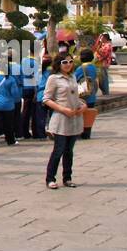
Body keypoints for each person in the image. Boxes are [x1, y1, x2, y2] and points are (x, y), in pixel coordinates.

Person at [42, 51, 85, 189]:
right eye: (64, 62)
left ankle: (67, 177)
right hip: (61, 118)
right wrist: (62, 109)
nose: (68, 65)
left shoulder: (72, 77)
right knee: (58, 149)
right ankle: (50, 178)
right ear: (59, 64)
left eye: (70, 61)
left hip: (74, 117)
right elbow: (46, 99)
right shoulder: (54, 78)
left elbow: (75, 97)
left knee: (69, 151)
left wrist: (82, 105)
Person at [73, 50, 98, 140]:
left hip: (82, 95)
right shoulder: (93, 67)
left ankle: (80, 133)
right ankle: (87, 133)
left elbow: (74, 78)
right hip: (91, 94)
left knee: (81, 115)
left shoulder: (81, 68)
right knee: (89, 115)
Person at [20, 50, 41, 139]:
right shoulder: (35, 63)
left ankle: (24, 132)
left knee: (25, 111)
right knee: (34, 112)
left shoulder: (23, 61)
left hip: (24, 88)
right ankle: (35, 132)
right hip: (32, 89)